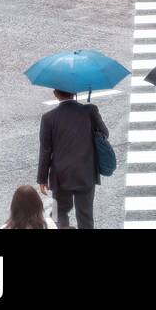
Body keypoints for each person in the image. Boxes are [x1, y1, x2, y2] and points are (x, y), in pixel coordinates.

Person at [38, 89, 110, 229]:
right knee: (85, 215)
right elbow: (104, 134)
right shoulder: (90, 111)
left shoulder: (48, 118)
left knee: (59, 214)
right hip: (86, 171)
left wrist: (42, 178)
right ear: (74, 93)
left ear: (55, 94)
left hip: (60, 175)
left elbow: (45, 150)